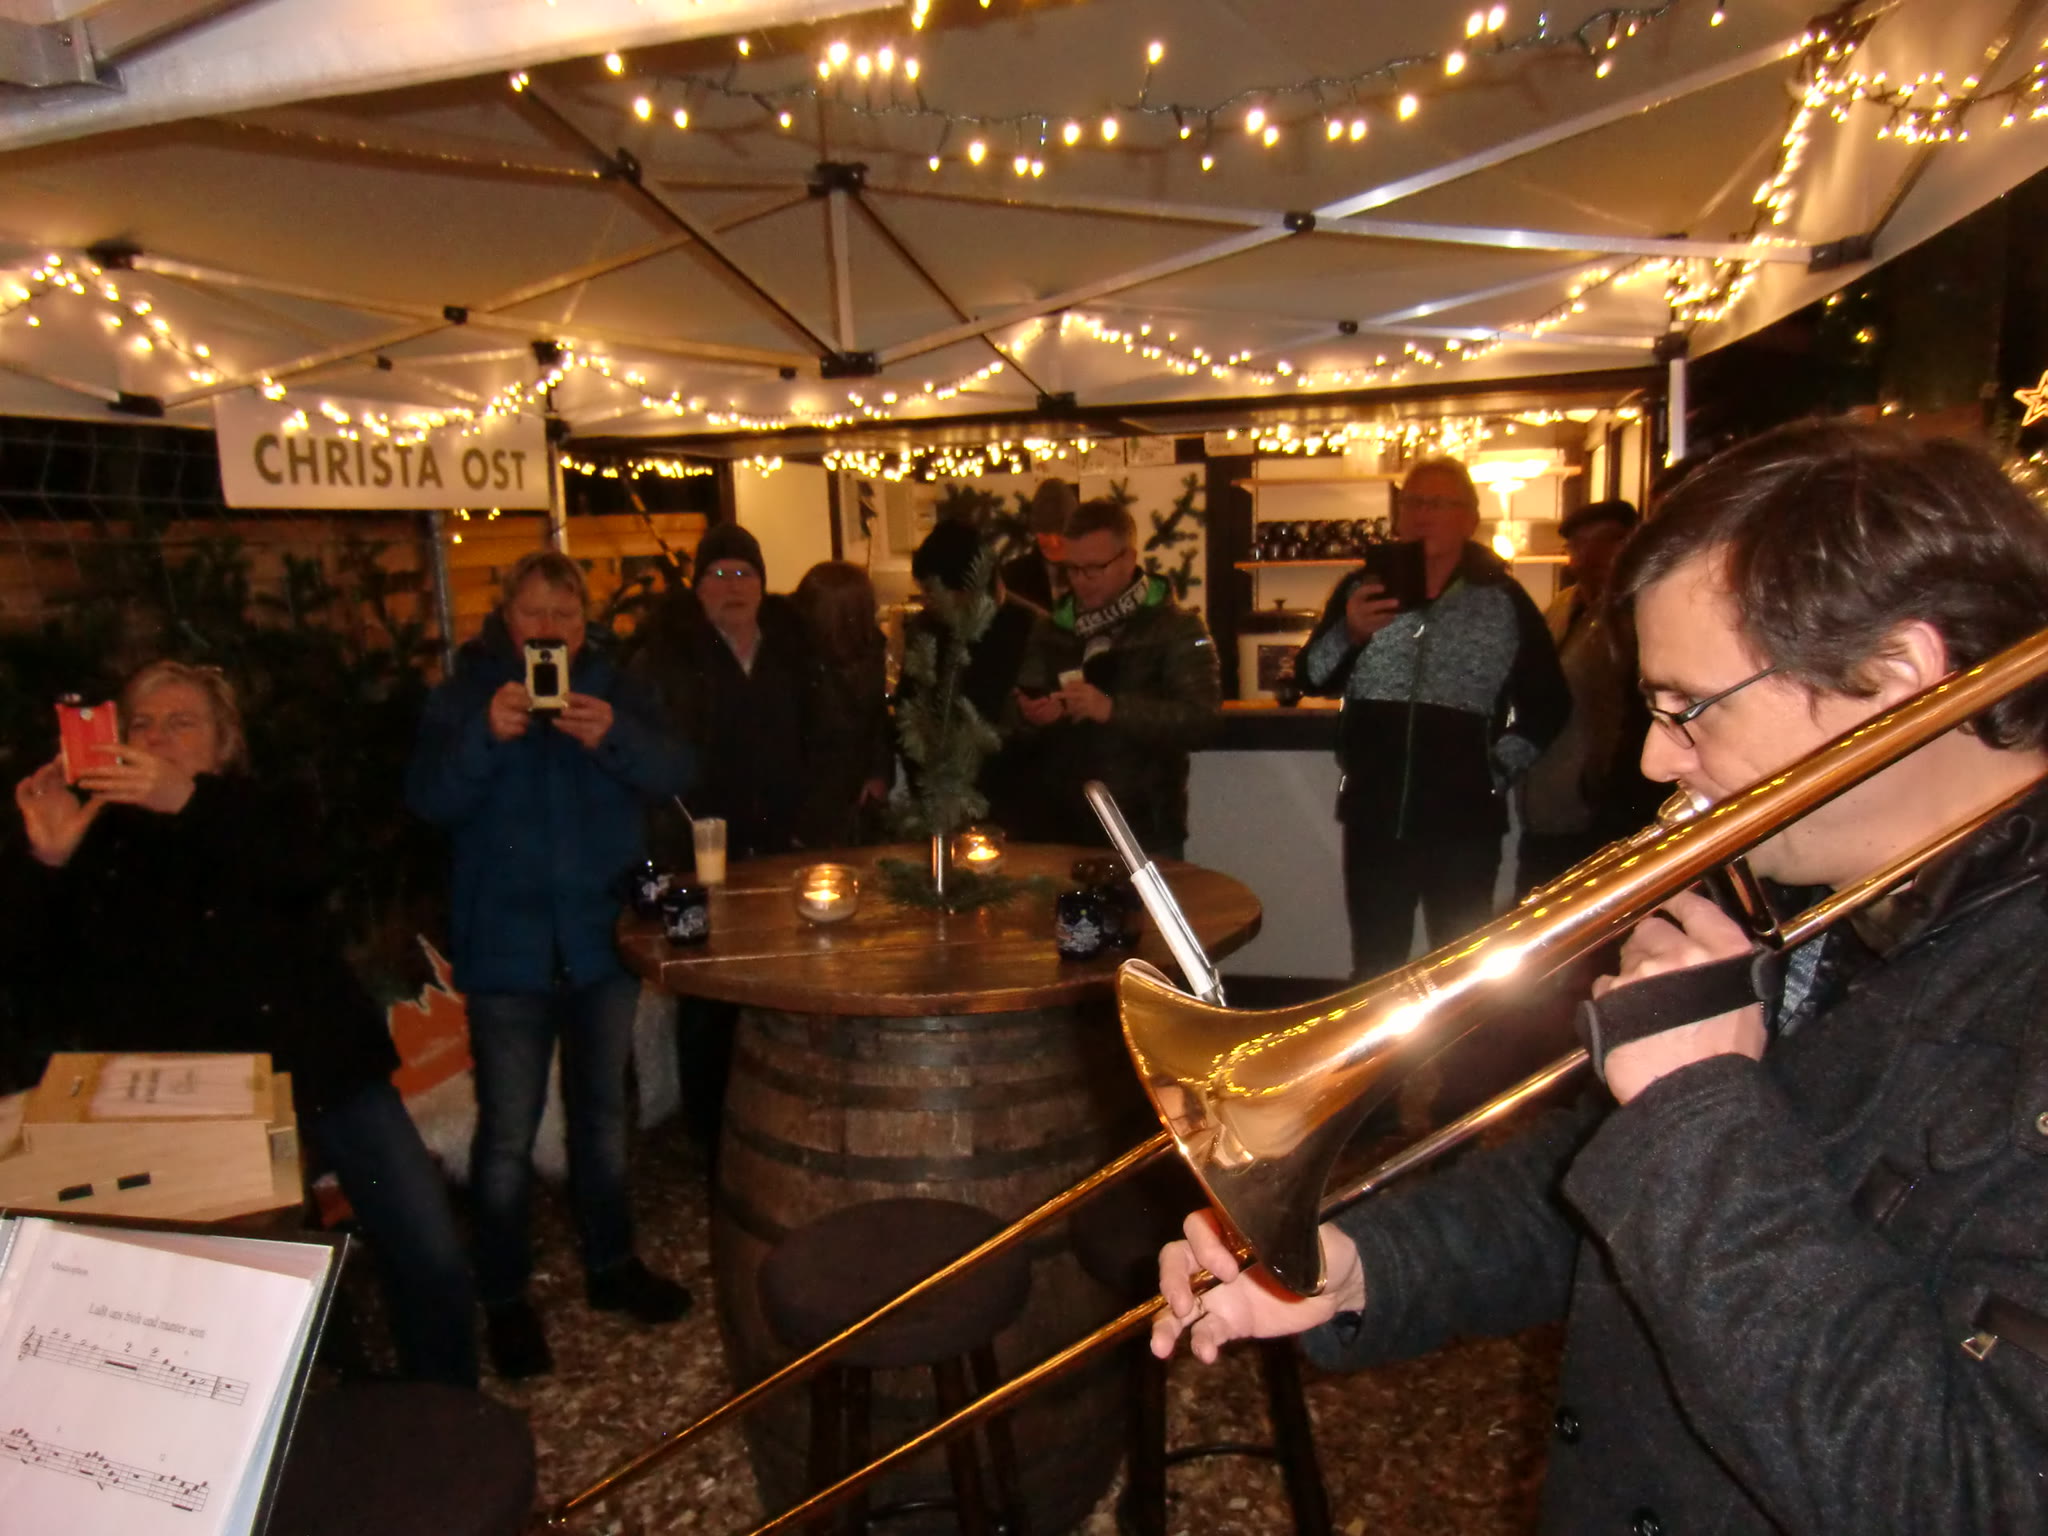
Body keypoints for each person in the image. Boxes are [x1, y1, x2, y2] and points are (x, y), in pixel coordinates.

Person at [1155, 420, 2048, 1532]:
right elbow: (1603, 1182)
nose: (1655, 758)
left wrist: (1694, 1111)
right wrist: (1364, 1263)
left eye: (1686, 709)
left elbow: (1975, 1494)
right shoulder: (1817, 884)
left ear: (1896, 678)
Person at [4, 661, 478, 1386]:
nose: (157, 738)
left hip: (325, 1067)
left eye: (182, 723)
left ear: (224, 742)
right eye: (142, 724)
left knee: (429, 1250)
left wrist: (189, 802)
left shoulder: (265, 807)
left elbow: (305, 868)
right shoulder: (102, 836)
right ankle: (333, 1414)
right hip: (203, 1104)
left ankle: (449, 1412)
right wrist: (47, 861)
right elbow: (38, 975)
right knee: (272, 1280)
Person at [406, 550, 693, 1380]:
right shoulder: (465, 694)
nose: (549, 630)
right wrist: (482, 739)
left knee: (602, 1119)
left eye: (564, 615)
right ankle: (504, 1297)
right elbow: (427, 800)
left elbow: (679, 771)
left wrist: (615, 738)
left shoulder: (615, 688)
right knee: (506, 1133)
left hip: (601, 943)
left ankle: (611, 1264)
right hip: (506, 952)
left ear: (584, 622)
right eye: (533, 613)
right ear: (507, 618)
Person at [1297, 458, 1568, 980]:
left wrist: (1495, 770)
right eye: (1413, 503)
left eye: (1439, 503)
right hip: (1375, 817)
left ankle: (1461, 1040)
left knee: (1461, 966)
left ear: (1470, 519)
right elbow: (1312, 676)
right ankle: (1380, 1040)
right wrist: (1349, 635)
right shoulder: (1362, 588)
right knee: (1375, 966)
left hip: (1465, 825)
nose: (1423, 514)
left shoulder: (1504, 600)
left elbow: (1550, 702)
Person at [1013, 497, 1219, 857]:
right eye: (1072, 569)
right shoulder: (1051, 629)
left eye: (1094, 569)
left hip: (1146, 829)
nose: (1082, 581)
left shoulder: (1178, 628)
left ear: (1129, 558)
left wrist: (1111, 709)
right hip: (1059, 826)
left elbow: (1203, 722)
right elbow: (1013, 718)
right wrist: (1033, 715)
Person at [633, 521, 820, 864]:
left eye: (744, 574)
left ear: (761, 586)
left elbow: (821, 737)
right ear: (699, 588)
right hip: (701, 845)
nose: (734, 587)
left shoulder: (796, 651)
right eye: (719, 575)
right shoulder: (667, 658)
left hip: (786, 842)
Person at [1517, 498, 1663, 892]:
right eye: (1581, 544)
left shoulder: (1639, 617)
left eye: (1608, 540)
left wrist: (1599, 787)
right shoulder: (1563, 607)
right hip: (1547, 801)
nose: (1594, 555)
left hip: (1602, 808)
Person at [899, 518, 1039, 832]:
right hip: (939, 795)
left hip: (1010, 797)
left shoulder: (1026, 630)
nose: (927, 601)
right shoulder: (927, 630)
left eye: (933, 591)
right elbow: (910, 703)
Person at [793, 560, 892, 848]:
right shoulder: (797, 662)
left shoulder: (869, 653)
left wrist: (878, 774)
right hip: (811, 798)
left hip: (853, 796)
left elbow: (877, 722)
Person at [1000, 478, 1075, 614]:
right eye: (1046, 534)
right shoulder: (1014, 575)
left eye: (1059, 534)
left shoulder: (1090, 572)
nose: (1053, 543)